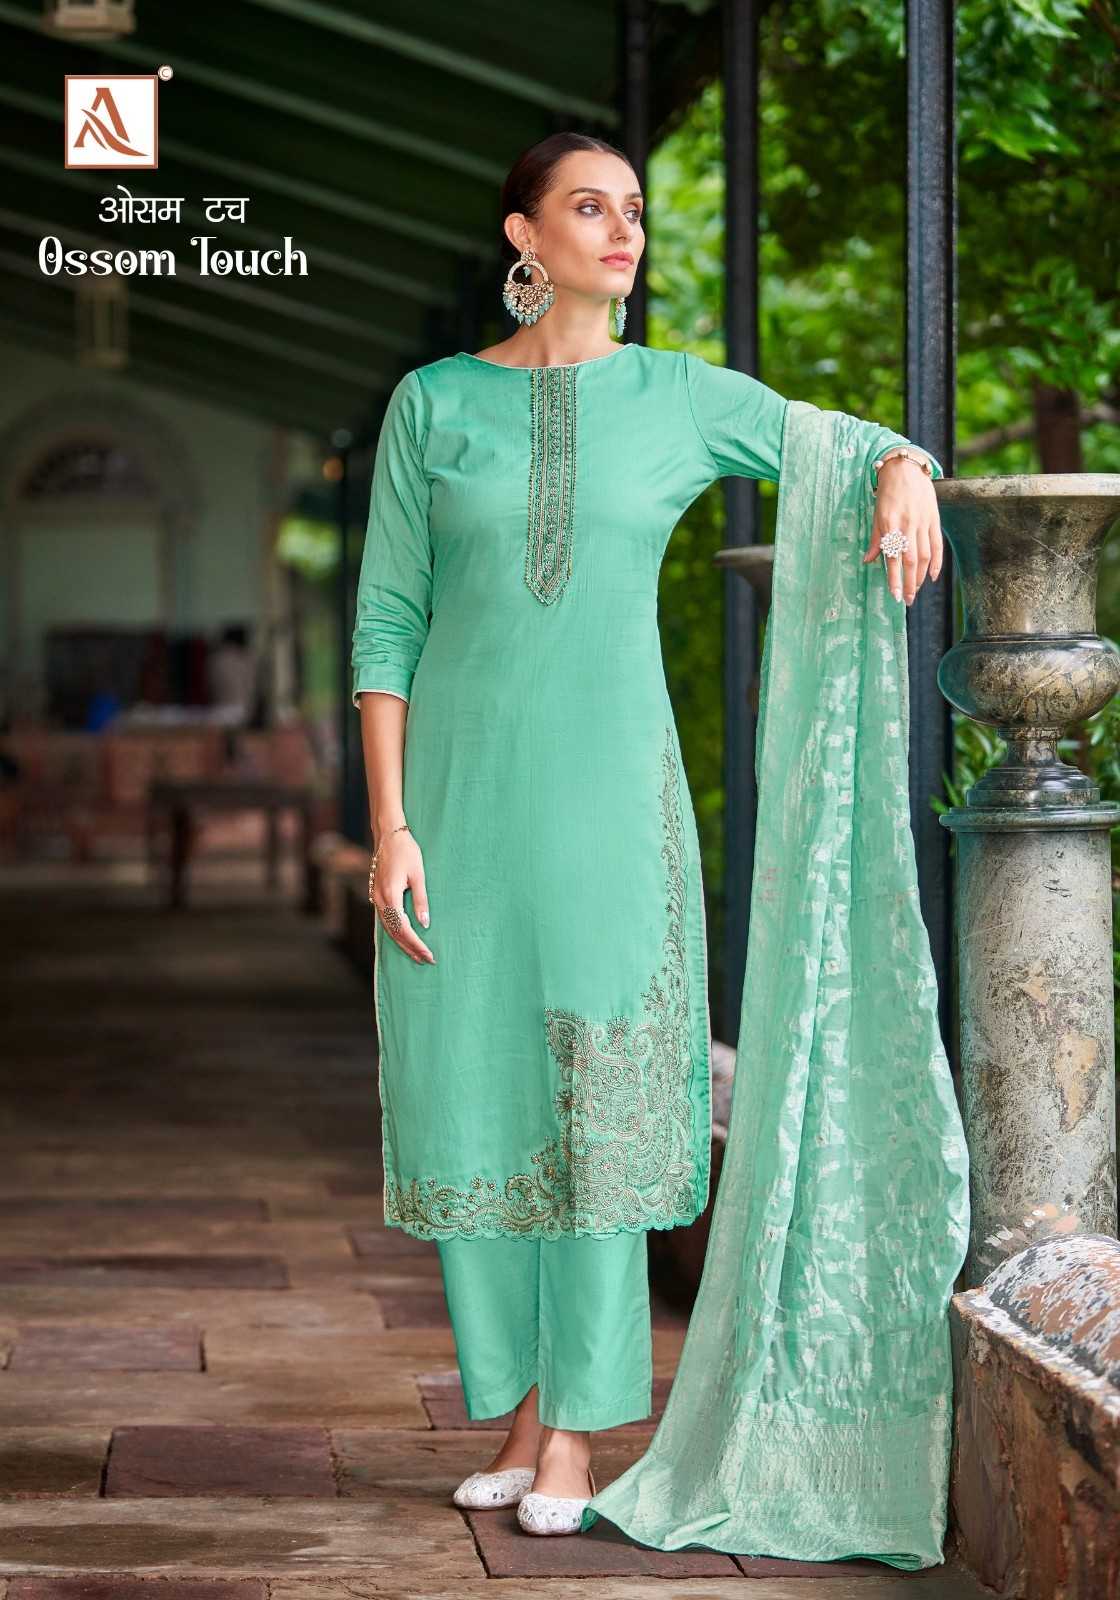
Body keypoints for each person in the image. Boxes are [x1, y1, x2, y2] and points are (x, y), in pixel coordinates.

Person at [351, 131, 968, 1558]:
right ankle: (518, 1409)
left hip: (612, 804)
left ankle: (580, 1425)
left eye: (632, 209)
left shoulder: (679, 396)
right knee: (475, 1093)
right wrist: (390, 825)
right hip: (456, 802)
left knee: (602, 1103)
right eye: (590, 207)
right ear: (525, 233)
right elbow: (387, 618)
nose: (623, 230)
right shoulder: (432, 405)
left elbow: (838, 439)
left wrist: (904, 467)